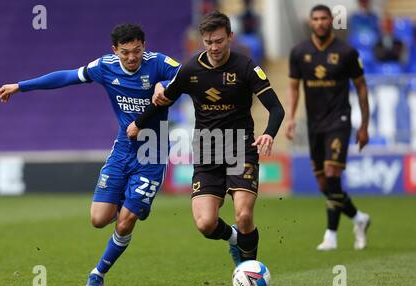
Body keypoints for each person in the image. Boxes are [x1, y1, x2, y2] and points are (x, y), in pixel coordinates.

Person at [0, 24, 181, 286]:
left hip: (152, 152)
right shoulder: (105, 66)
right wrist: (21, 86)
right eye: (125, 52)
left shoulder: (159, 63)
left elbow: (186, 76)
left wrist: (164, 84)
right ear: (114, 50)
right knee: (98, 220)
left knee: (126, 220)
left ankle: (98, 272)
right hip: (122, 150)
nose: (131, 58)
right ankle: (134, 203)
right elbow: (67, 77)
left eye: (137, 51)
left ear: (144, 46)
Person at [127, 11, 285, 266]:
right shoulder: (190, 69)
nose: (214, 47)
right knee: (205, 223)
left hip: (239, 147)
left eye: (219, 41)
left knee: (244, 215)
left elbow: (277, 108)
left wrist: (269, 133)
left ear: (230, 37)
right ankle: (235, 239)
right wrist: (138, 123)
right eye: (209, 42)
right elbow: (163, 99)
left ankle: (249, 270)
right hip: (207, 152)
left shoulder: (246, 67)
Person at [285, 5, 371, 251]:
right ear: (310, 22)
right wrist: (290, 118)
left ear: (332, 20)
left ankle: (331, 235)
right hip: (314, 125)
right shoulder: (299, 52)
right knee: (325, 185)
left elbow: (362, 88)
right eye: (316, 19)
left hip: (339, 121)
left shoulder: (346, 52)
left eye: (324, 18)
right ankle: (358, 218)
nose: (320, 22)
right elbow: (292, 88)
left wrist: (364, 126)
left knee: (333, 175)